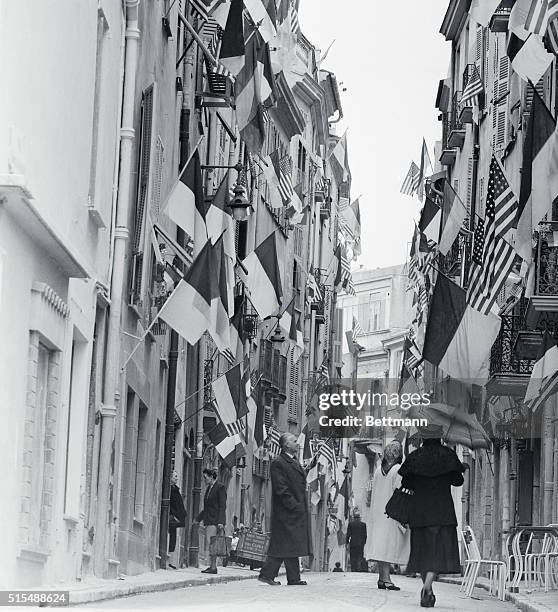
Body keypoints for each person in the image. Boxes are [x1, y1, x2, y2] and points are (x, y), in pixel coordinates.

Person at [399, 425, 465, 608]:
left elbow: (407, 483)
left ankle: (427, 588)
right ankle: (427, 587)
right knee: (438, 552)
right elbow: (458, 481)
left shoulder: (415, 457)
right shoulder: (448, 455)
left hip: (419, 513)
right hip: (442, 513)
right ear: (440, 437)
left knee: (422, 553)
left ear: (423, 438)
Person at [258, 433, 312, 586]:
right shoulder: (279, 462)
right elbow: (281, 488)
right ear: (287, 445)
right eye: (294, 441)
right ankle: (267, 574)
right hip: (285, 512)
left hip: (293, 511)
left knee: (290, 544)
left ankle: (293, 578)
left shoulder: (292, 461)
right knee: (283, 545)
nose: (297, 443)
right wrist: (293, 505)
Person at [369, 440, 410, 590]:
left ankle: (382, 578)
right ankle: (386, 580)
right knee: (388, 546)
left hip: (378, 512)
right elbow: (399, 492)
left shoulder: (379, 470)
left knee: (381, 546)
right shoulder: (398, 470)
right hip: (391, 513)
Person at [194, 468, 227, 574]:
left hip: (215, 521)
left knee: (212, 544)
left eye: (205, 477)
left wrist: (221, 521)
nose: (204, 480)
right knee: (211, 544)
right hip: (208, 520)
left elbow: (222, 506)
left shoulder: (220, 487)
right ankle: (212, 566)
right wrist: (198, 519)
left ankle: (213, 567)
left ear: (211, 476)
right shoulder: (209, 489)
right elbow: (207, 507)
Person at [168, 471, 187, 569]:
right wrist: (173, 515)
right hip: (172, 517)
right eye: (175, 476)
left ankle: (170, 561)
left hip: (176, 518)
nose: (177, 478)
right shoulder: (170, 490)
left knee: (173, 538)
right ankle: (168, 561)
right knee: (170, 537)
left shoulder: (175, 489)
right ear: (170, 477)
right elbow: (171, 504)